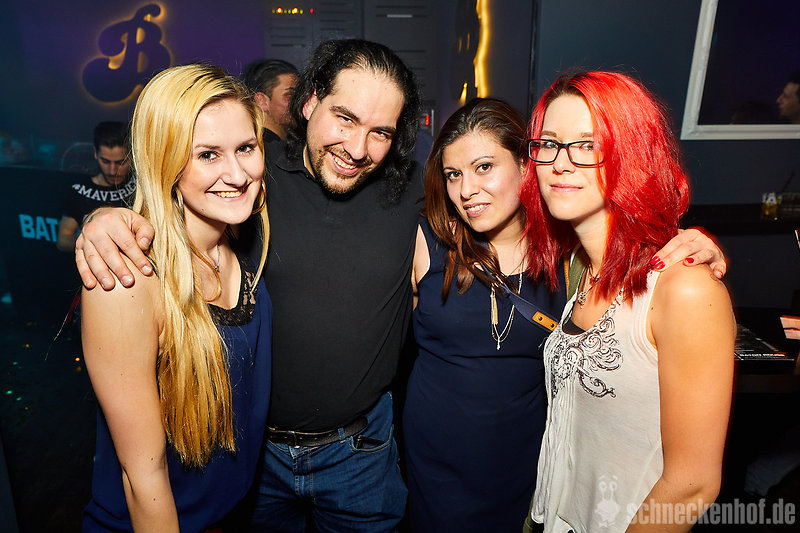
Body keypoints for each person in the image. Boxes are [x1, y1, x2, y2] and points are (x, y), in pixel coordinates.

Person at [72, 44, 727, 530]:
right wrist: (109, 219)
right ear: (308, 104)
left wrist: (683, 240)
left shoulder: (418, 192)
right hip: (253, 460)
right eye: (344, 117)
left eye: (381, 131)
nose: (358, 146)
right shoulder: (255, 182)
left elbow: (565, 220)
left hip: (363, 456)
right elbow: (182, 179)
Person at [521, 71, 735, 532]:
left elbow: (693, 485)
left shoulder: (684, 290)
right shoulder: (579, 267)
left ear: (632, 154)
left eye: (588, 145)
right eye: (550, 143)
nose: (561, 163)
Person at [81, 63, 272, 532]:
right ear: (165, 161)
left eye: (246, 148)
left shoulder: (243, 239)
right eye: (207, 154)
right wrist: (97, 219)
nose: (237, 174)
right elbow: (142, 477)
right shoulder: (128, 278)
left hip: (233, 515)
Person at [404, 97, 566, 531]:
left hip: (523, 462)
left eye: (484, 167)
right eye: (453, 174)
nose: (466, 191)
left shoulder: (569, 252)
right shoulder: (426, 240)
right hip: (435, 465)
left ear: (526, 166)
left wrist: (690, 246)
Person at [56, 121, 135, 252]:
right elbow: (63, 240)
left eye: (121, 162)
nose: (112, 171)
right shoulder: (79, 191)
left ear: (131, 155)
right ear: (95, 153)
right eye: (105, 161)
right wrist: (96, 246)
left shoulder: (141, 186)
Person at [242, 58, 299, 142]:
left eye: (300, 94)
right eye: (290, 95)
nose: (299, 101)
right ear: (261, 101)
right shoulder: (260, 147)